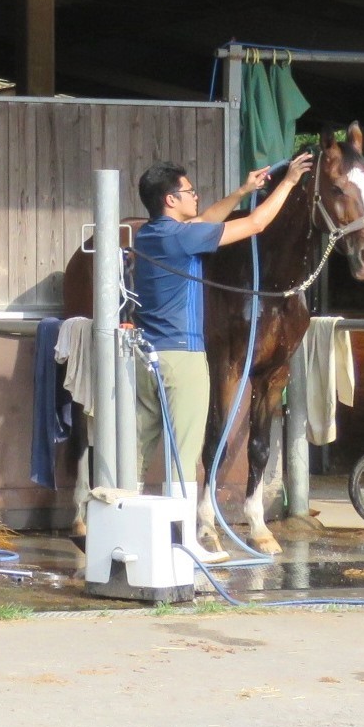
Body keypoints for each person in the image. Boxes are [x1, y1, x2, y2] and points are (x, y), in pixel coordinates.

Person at [132, 154, 313, 501]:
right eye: (189, 190)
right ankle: (181, 537)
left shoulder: (150, 235)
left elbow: (202, 220)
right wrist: (289, 183)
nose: (195, 195)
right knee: (183, 454)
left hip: (146, 356)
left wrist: (243, 191)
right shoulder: (183, 239)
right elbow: (256, 224)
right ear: (171, 199)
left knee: (137, 450)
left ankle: (119, 522)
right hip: (181, 358)